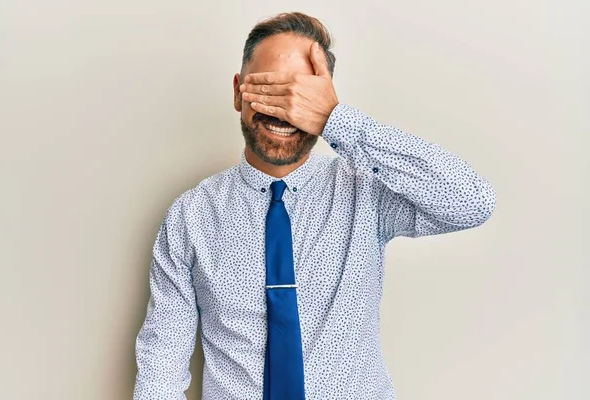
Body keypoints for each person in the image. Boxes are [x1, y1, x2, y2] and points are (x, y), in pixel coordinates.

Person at [133, 12, 496, 400]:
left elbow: (472, 201)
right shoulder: (191, 216)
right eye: (268, 90)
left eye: (299, 95)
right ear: (238, 91)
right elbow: (162, 363)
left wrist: (337, 121)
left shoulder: (366, 192)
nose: (282, 110)